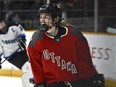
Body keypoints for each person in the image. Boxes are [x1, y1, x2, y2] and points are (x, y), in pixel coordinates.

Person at [27, 3, 105, 87]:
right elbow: (36, 65)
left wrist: (92, 77)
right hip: (53, 83)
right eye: (41, 17)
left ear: (56, 19)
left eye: (46, 17)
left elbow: (84, 60)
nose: (42, 20)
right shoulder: (37, 39)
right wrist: (40, 83)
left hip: (76, 80)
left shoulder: (74, 35)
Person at [0, 15, 33, 87]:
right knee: (26, 67)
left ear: (2, 22)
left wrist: (22, 39)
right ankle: (33, 82)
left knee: (30, 67)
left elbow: (21, 31)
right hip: (11, 56)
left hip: (21, 50)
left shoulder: (13, 27)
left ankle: (30, 82)